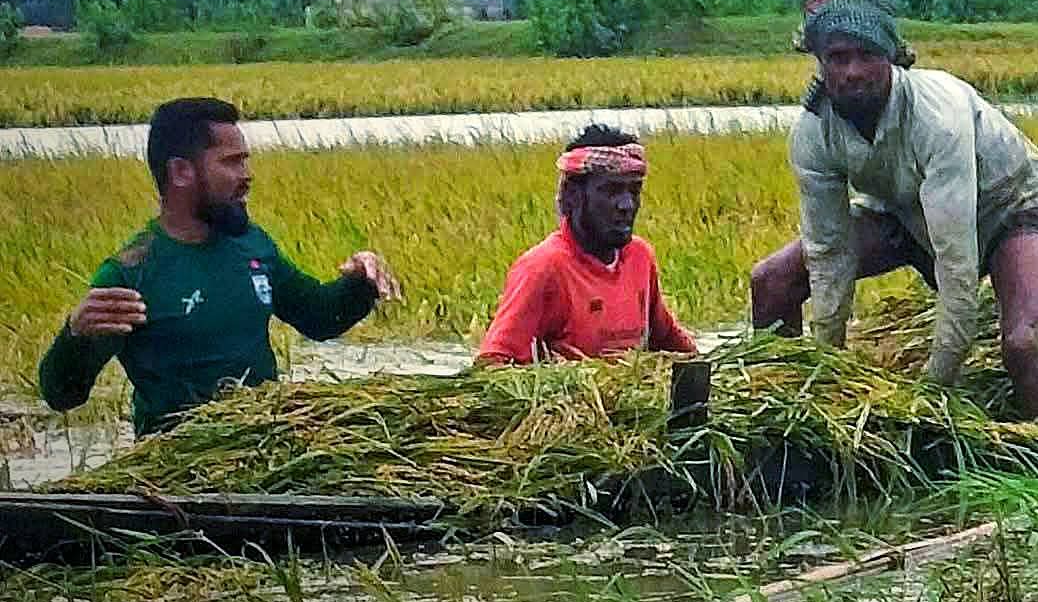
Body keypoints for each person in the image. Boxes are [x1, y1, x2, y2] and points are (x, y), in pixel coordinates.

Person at [750, 0, 1038, 418]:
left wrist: (932, 393)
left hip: (1002, 208)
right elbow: (828, 254)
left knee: (1021, 344)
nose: (853, 72)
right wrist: (827, 379)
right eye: (838, 58)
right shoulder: (813, 133)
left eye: (867, 55)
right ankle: (783, 410)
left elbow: (956, 265)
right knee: (772, 281)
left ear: (891, 57)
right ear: (820, 61)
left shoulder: (937, 116)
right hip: (901, 211)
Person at [38, 97, 401, 435]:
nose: (247, 175)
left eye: (245, 160)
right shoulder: (131, 274)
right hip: (179, 463)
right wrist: (75, 336)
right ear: (181, 171)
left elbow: (319, 317)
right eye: (231, 162)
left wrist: (360, 282)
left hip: (262, 445)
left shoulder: (252, 245)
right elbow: (63, 395)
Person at [477, 125, 697, 364]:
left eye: (634, 191)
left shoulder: (639, 257)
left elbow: (667, 338)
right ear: (573, 195)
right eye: (611, 191)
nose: (626, 205)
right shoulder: (544, 268)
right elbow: (492, 362)